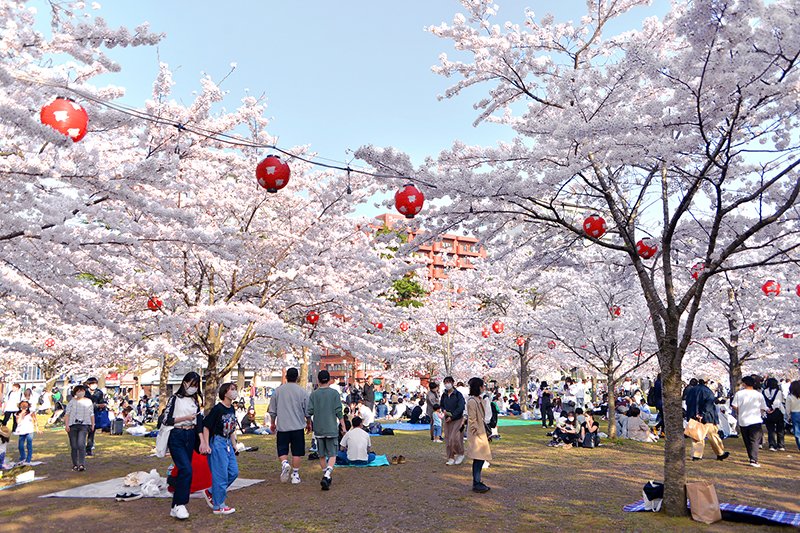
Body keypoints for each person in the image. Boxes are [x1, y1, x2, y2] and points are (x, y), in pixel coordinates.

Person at [164, 372, 205, 520]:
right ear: (184, 383)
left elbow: (200, 422)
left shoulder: (195, 400)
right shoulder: (175, 399)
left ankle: (175, 506)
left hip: (190, 435)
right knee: (186, 469)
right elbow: (165, 419)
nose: (193, 388)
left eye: (196, 385)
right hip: (177, 435)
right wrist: (185, 418)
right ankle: (181, 504)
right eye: (191, 384)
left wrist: (202, 441)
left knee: (185, 470)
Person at [201, 382, 239, 515]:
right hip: (217, 442)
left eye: (235, 389)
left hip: (228, 443)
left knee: (233, 472)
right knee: (220, 475)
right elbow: (206, 426)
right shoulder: (218, 409)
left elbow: (231, 429)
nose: (234, 392)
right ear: (225, 392)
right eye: (232, 389)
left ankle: (211, 491)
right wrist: (206, 444)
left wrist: (234, 445)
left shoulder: (231, 409)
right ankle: (219, 505)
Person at [268, 367, 309, 485]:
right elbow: (307, 410)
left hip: (283, 426)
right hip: (297, 426)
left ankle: (285, 463)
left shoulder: (278, 391)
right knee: (297, 451)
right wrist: (308, 421)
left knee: (282, 448)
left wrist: (272, 423)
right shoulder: (302, 391)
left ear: (286, 377)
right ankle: (295, 475)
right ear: (297, 377)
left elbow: (272, 410)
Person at [307, 370, 345, 491]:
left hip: (318, 429)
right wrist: (343, 426)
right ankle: (328, 474)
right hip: (331, 428)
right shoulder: (334, 394)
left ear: (318, 380)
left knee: (321, 455)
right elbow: (339, 411)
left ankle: (325, 475)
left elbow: (310, 411)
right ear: (329, 380)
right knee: (333, 454)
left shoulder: (314, 395)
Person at [687, 379, 729, 461]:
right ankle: (720, 453)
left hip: (694, 416)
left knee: (697, 436)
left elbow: (688, 402)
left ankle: (696, 455)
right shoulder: (707, 391)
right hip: (707, 417)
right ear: (706, 382)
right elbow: (709, 404)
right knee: (713, 435)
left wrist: (694, 414)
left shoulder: (691, 390)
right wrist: (702, 414)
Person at [731, 375, 767, 467]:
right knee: (754, 440)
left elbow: (734, 405)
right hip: (755, 420)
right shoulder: (758, 394)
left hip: (743, 419)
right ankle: (753, 459)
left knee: (747, 440)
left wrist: (740, 411)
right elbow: (763, 407)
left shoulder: (739, 394)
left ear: (744, 384)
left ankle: (751, 457)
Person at [466, 377, 491, 493]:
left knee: (480, 458)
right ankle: (476, 482)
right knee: (479, 458)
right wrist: (477, 433)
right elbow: (472, 419)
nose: (483, 388)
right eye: (482, 386)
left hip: (480, 431)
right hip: (477, 433)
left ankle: (478, 481)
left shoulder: (478, 399)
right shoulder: (472, 401)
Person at [63, 384, 95, 471]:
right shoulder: (72, 402)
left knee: (81, 444)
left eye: (82, 391)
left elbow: (91, 413)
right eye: (79, 391)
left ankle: (81, 464)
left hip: (84, 425)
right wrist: (66, 425)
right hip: (72, 425)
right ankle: (75, 464)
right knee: (74, 445)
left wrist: (93, 424)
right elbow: (67, 414)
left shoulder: (88, 401)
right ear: (75, 392)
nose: (81, 392)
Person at [440, 376, 465, 466]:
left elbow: (461, 407)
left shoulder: (458, 395)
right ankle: (450, 457)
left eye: (449, 382)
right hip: (447, 419)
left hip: (457, 419)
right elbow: (441, 405)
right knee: (447, 439)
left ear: (453, 383)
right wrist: (443, 410)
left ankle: (460, 453)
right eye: (445, 382)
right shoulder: (444, 394)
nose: (447, 384)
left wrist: (453, 416)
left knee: (455, 438)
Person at [84, 377, 107, 457]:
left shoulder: (99, 392)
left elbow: (101, 401)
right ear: (88, 384)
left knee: (91, 432)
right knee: (83, 432)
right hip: (84, 414)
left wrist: (103, 404)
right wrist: (96, 405)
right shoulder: (84, 392)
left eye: (95, 384)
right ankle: (81, 448)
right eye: (92, 384)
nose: (94, 385)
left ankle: (89, 449)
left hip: (94, 414)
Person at [762, 377, 785, 451]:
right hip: (777, 411)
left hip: (767, 412)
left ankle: (772, 445)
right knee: (780, 428)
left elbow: (763, 402)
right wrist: (773, 408)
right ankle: (780, 445)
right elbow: (778, 402)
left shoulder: (764, 391)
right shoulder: (779, 392)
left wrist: (767, 409)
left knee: (770, 429)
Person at [14, 400, 38, 464]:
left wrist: (37, 429)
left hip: (29, 430)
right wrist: (21, 414)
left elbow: (35, 420)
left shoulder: (31, 412)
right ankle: (23, 457)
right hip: (21, 430)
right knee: (20, 445)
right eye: (22, 405)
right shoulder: (17, 413)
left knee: (29, 445)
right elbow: (18, 422)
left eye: (25, 405)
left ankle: (28, 459)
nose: (24, 407)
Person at [787, 380, 800, 451]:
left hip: (795, 414)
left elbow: (788, 409)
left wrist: (788, 416)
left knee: (797, 431)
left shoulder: (790, 397)